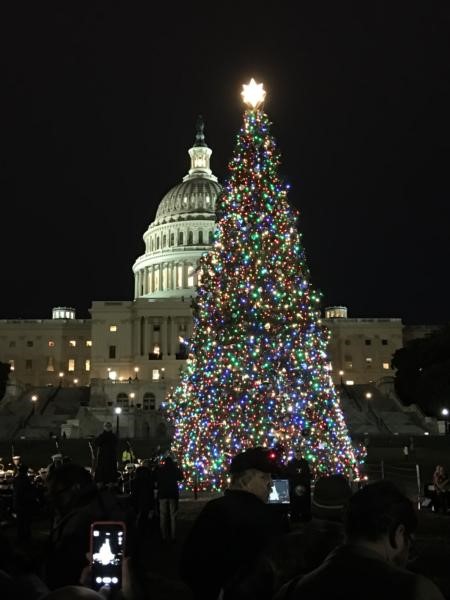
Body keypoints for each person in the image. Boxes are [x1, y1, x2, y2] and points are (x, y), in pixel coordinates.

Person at [275, 480, 445, 600]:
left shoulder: (290, 590)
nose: (409, 554)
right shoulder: (416, 591)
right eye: (410, 542)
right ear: (398, 534)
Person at [179, 446, 285, 600]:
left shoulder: (214, 509)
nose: (270, 483)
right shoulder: (264, 515)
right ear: (244, 480)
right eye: (263, 477)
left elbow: (189, 567)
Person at [44, 463, 125, 590]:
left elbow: (64, 564)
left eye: (57, 493)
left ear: (76, 488)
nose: (52, 498)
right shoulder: (98, 504)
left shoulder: (84, 518)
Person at [157, 455, 183, 541]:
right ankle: (173, 536)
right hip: (173, 494)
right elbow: (181, 478)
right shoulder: (175, 469)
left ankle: (164, 536)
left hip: (163, 494)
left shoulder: (161, 470)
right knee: (173, 515)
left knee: (163, 516)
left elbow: (155, 478)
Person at [12, 463, 36, 542]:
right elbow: (30, 491)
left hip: (19, 502)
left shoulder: (16, 479)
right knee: (26, 521)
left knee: (20, 522)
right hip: (26, 503)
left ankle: (21, 537)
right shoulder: (27, 480)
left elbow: (15, 492)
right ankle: (27, 537)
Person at [286, 450, 311, 522]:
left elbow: (307, 473)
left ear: (301, 454)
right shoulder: (290, 462)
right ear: (295, 455)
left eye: (299, 454)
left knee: (304, 502)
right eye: (297, 454)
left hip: (303, 485)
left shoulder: (305, 462)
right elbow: (289, 473)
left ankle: (305, 516)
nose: (298, 456)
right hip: (294, 484)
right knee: (294, 502)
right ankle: (295, 517)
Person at [93, 422, 118, 488]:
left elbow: (96, 443)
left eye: (108, 426)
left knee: (102, 472)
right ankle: (110, 484)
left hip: (104, 458)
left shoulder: (102, 436)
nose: (107, 427)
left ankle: (102, 484)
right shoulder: (113, 436)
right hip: (110, 458)